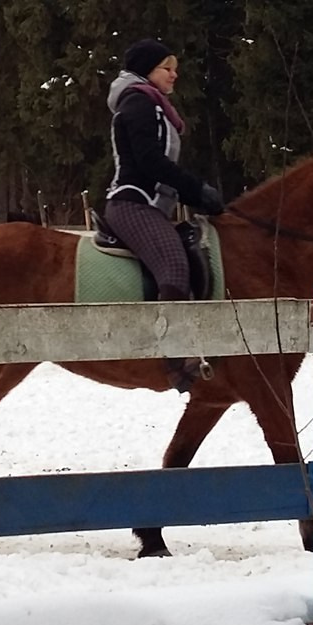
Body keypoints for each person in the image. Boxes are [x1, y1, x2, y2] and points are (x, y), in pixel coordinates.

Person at [105, 39, 229, 391]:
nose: (175, 75)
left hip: (150, 204)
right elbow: (149, 161)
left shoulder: (153, 104)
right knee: (174, 265)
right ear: (147, 70)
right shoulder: (138, 102)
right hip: (132, 202)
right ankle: (176, 359)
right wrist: (196, 190)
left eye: (175, 68)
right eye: (167, 68)